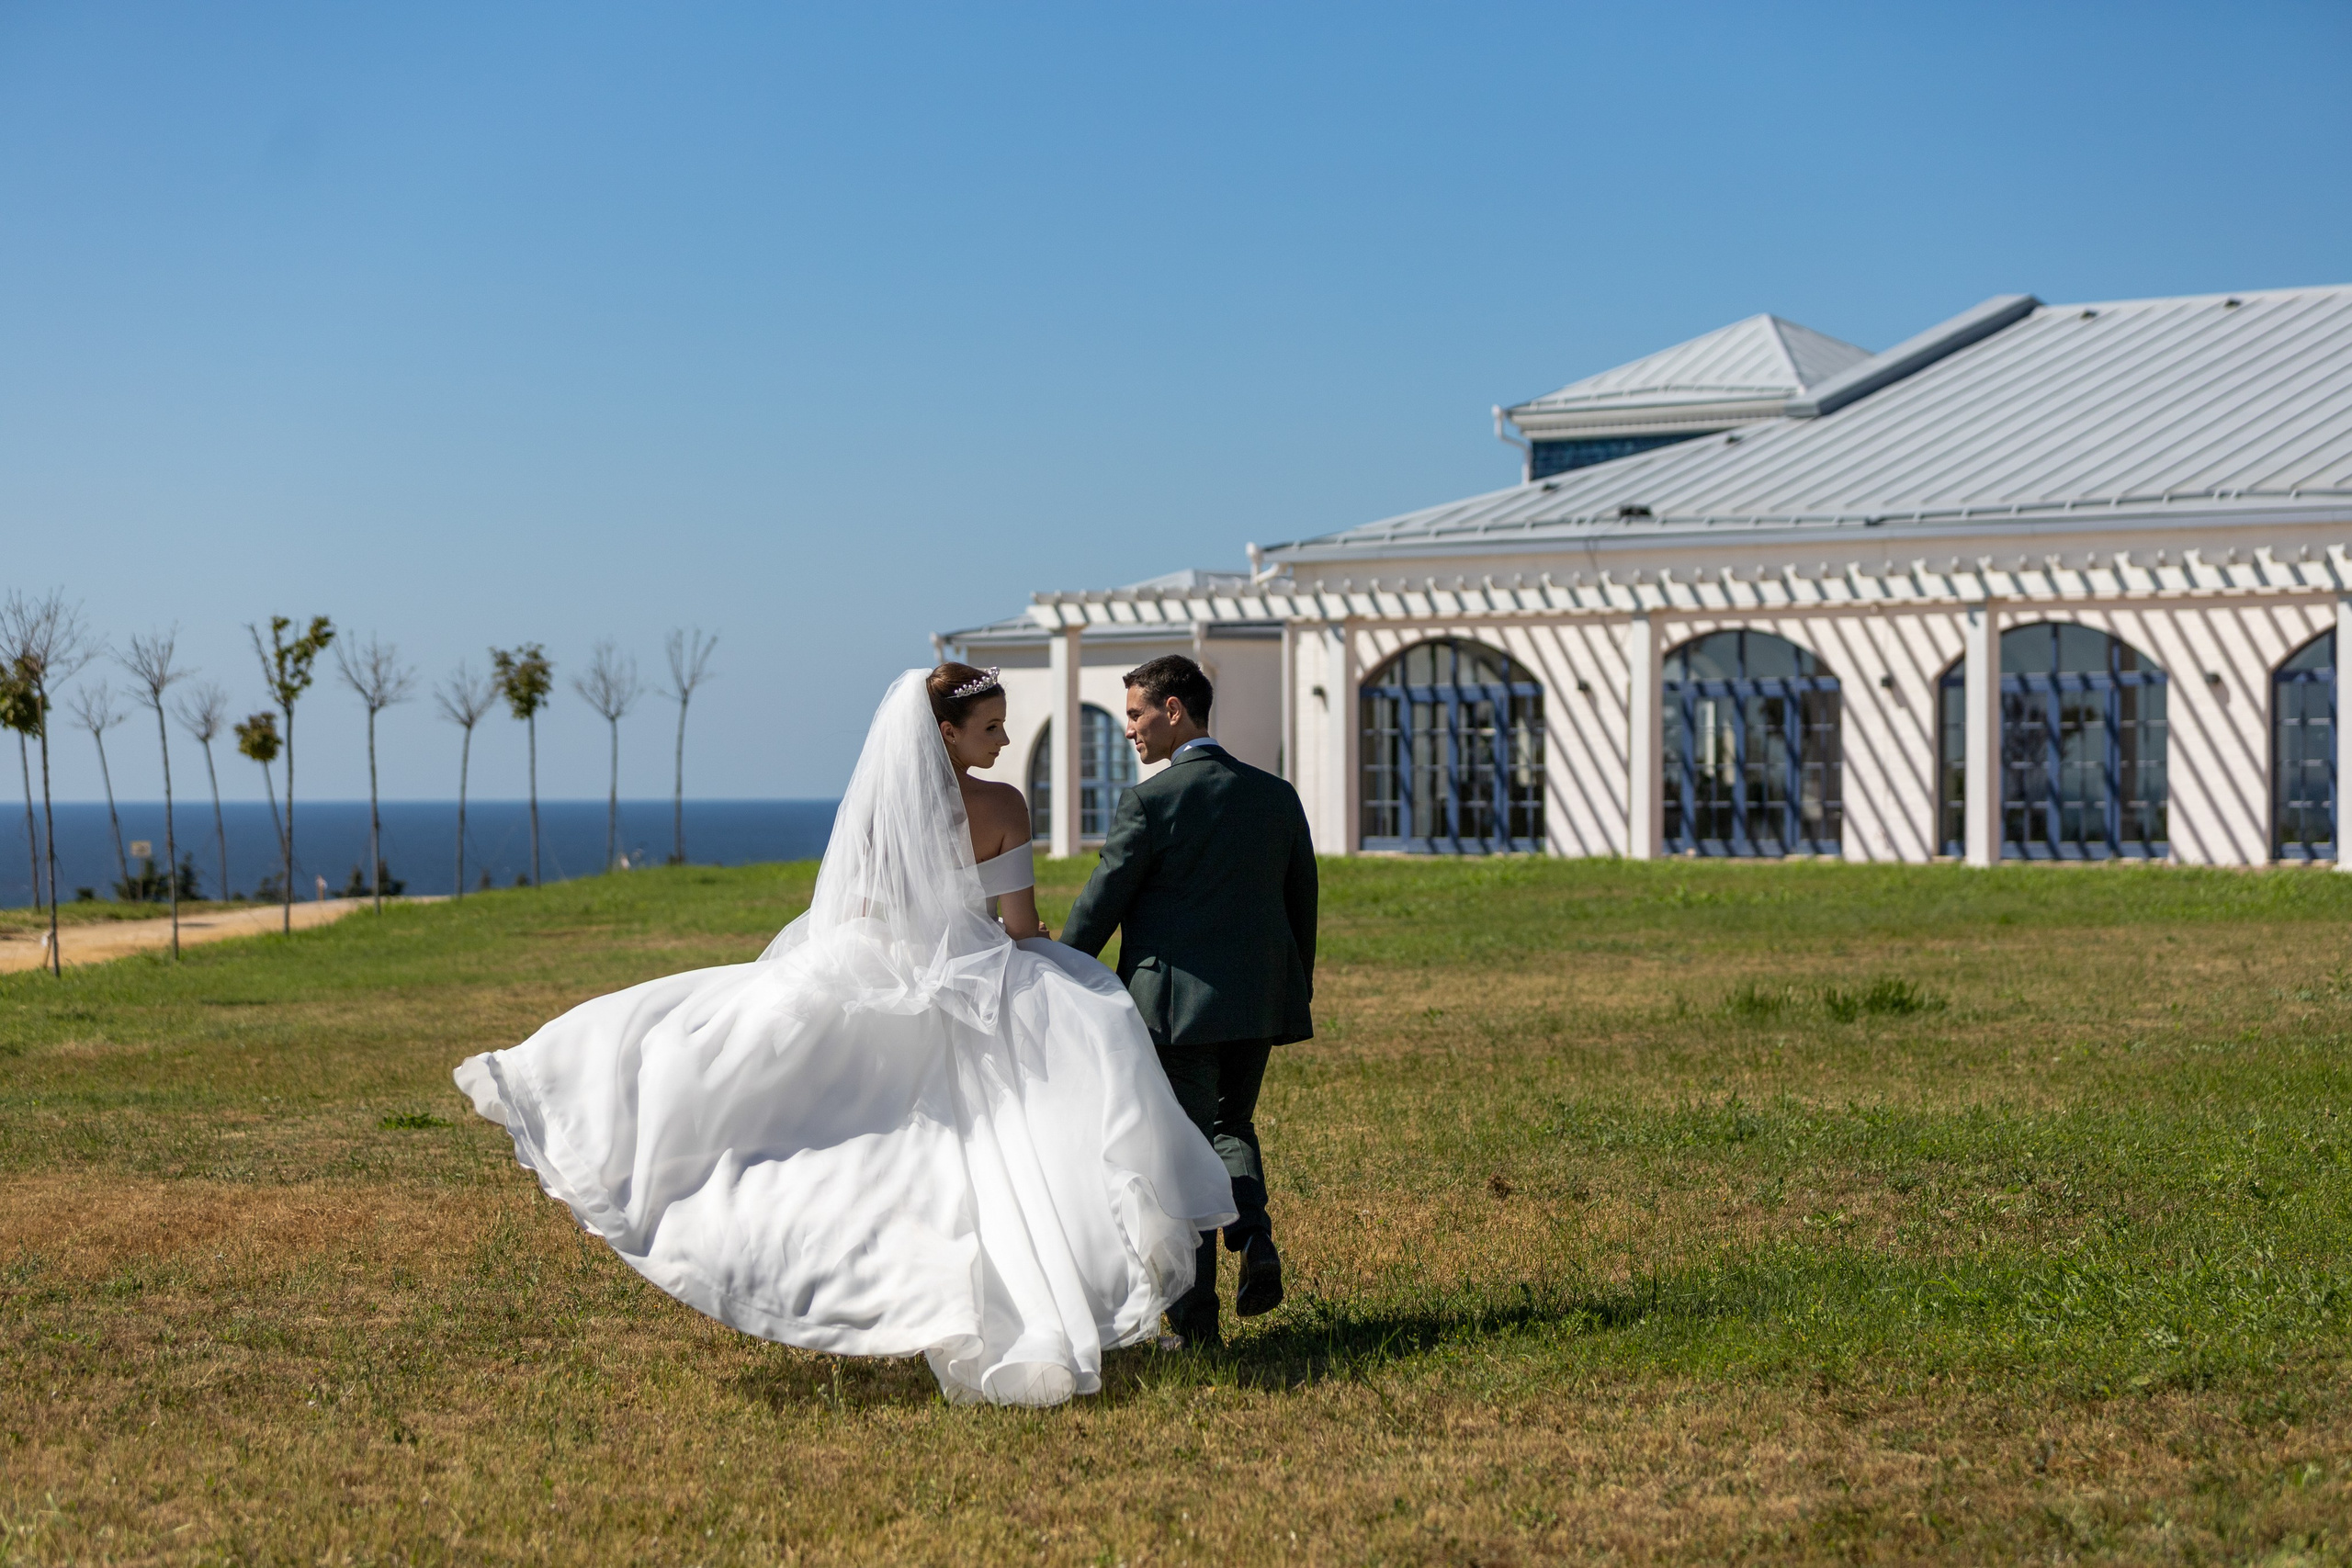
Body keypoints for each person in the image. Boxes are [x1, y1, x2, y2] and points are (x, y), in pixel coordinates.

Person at [453, 664, 1236, 1406]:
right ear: (947, 731)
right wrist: (1060, 968)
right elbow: (1021, 926)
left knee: (854, 1129)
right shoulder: (1003, 808)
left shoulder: (878, 810)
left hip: (887, 967)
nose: (1003, 741)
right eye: (991, 728)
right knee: (1012, 1133)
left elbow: (858, 914)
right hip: (978, 976)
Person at [1061, 654, 1317, 1350]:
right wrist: (1292, 989)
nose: (1129, 730)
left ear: (1173, 710)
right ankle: (1254, 1235)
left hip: (1175, 1013)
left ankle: (1197, 1327)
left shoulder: (1150, 802)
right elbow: (1302, 903)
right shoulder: (1276, 795)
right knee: (1232, 1124)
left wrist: (1053, 967)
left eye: (1136, 715)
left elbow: (1100, 905)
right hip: (1258, 1000)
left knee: (1183, 1154)